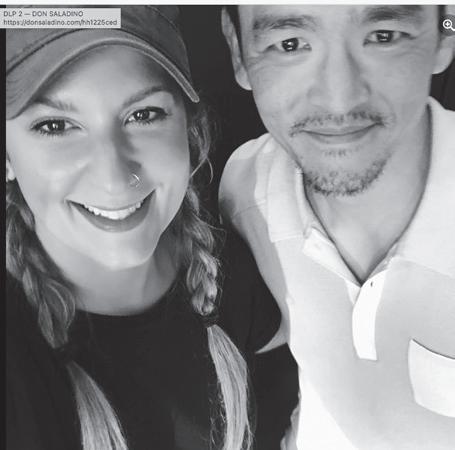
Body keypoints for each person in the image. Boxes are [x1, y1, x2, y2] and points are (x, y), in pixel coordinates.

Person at [6, 6, 283, 450]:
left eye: (143, 115)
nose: (114, 178)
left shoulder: (231, 270)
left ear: (189, 129)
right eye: (55, 126)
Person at [220, 4, 455, 449]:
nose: (339, 100)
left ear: (447, 32)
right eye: (290, 44)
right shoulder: (245, 190)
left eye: (384, 35)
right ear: (238, 51)